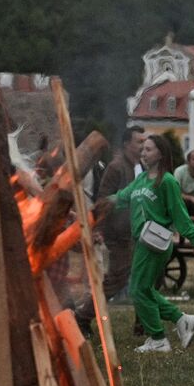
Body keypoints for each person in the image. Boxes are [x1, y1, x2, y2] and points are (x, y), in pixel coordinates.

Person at [103, 134, 194, 354]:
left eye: (148, 149)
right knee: (144, 289)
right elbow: (122, 197)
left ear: (161, 153)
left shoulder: (167, 181)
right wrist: (101, 205)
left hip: (155, 243)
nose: (143, 153)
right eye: (143, 149)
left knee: (138, 290)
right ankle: (182, 319)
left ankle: (158, 339)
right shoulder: (142, 179)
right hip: (141, 241)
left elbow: (178, 212)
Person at [88, 124, 144, 303]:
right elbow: (103, 199)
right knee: (116, 279)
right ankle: (87, 311)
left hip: (135, 231)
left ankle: (139, 317)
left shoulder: (142, 167)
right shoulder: (116, 167)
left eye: (144, 141)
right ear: (127, 144)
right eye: (139, 141)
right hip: (117, 232)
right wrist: (98, 228)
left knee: (140, 276)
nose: (143, 145)